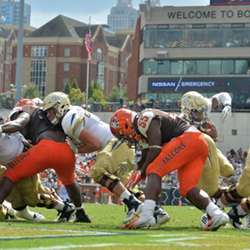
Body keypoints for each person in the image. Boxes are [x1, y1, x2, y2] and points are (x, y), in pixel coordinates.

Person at [42, 92, 169, 226]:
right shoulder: (73, 113)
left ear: (60, 106)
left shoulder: (68, 119)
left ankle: (134, 205)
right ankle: (157, 212)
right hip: (123, 144)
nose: (49, 115)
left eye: (50, 111)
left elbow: (95, 144)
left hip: (115, 142)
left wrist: (76, 150)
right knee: (127, 187)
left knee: (98, 172)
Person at [109, 108, 229, 230]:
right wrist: (138, 173)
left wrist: (143, 171)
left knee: (153, 170)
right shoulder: (143, 128)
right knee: (187, 188)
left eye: (122, 134)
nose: (127, 139)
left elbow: (155, 148)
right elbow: (145, 157)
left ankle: (147, 215)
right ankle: (216, 214)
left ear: (126, 125)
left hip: (188, 139)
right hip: (199, 143)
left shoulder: (143, 119)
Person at [0, 98, 90, 223]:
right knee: (69, 182)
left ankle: (64, 208)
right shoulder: (49, 116)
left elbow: (18, 124)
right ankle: (80, 211)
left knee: (11, 176)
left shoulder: (25, 113)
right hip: (66, 151)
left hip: (44, 149)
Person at [181, 91, 250, 229]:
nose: (202, 115)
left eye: (202, 111)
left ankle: (223, 208)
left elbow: (223, 95)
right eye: (198, 112)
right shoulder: (179, 123)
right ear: (188, 111)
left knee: (229, 170)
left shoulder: (202, 105)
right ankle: (214, 210)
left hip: (209, 146)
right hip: (195, 156)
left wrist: (227, 105)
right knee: (207, 187)